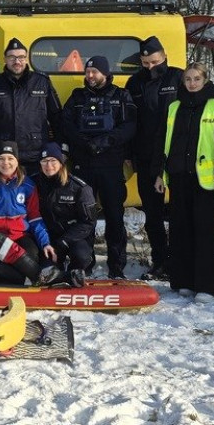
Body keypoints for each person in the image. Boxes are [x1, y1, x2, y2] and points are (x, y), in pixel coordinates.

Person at [152, 62, 214, 298]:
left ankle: (206, 287)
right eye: (188, 79)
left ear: (205, 80)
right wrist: (160, 172)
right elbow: (162, 142)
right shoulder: (174, 107)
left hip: (205, 182)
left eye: (196, 79)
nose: (192, 83)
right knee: (180, 232)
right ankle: (184, 281)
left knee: (205, 233)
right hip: (178, 178)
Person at [60, 55, 137, 278]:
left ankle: (117, 268)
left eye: (94, 72)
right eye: (88, 72)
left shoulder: (121, 96)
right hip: (83, 165)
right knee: (84, 217)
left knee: (114, 216)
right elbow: (66, 124)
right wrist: (84, 143)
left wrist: (106, 141)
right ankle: (84, 264)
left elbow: (130, 126)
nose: (90, 76)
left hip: (111, 165)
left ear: (105, 73)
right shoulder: (77, 97)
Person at [124, 35, 184, 281]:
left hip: (177, 156)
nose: (151, 67)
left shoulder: (179, 77)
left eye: (155, 61)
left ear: (164, 56)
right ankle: (160, 261)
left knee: (180, 213)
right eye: (146, 63)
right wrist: (129, 154)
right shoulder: (134, 83)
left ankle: (181, 260)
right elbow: (128, 121)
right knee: (153, 214)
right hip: (146, 157)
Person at [0, 141, 63, 285]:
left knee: (32, 257)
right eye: (2, 159)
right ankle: (37, 277)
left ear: (17, 161)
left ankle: (29, 277)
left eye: (10, 159)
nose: (6, 163)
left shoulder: (28, 185)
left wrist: (45, 243)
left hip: (19, 236)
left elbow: (35, 218)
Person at [0, 38, 62, 168]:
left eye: (21, 57)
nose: (17, 61)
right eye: (12, 57)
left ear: (26, 58)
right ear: (5, 59)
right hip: (3, 157)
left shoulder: (42, 82)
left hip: (36, 155)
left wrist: (60, 149)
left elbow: (57, 118)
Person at [31, 143, 94, 288]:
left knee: (82, 256)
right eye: (45, 161)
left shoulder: (79, 188)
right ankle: (60, 276)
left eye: (53, 161)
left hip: (72, 236)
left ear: (61, 163)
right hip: (47, 238)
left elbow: (88, 222)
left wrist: (65, 241)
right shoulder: (32, 183)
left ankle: (75, 274)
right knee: (46, 269)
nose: (49, 165)